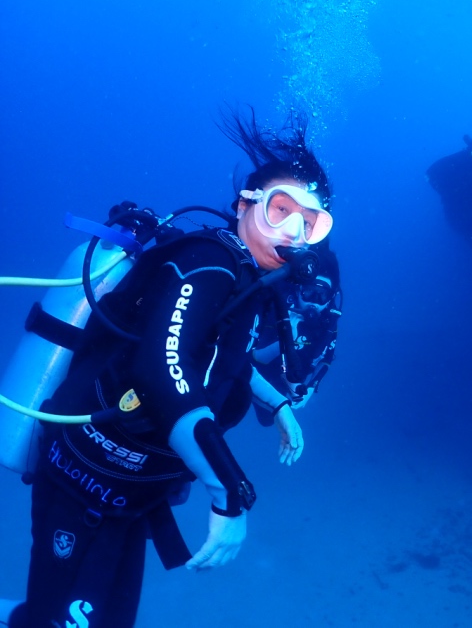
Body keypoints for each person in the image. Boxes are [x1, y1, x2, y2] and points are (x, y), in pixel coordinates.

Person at [4, 107, 334, 628]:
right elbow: (163, 367)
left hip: (132, 492)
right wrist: (229, 494)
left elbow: (227, 361)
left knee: (107, 620)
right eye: (280, 210)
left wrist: (281, 405)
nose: (292, 229)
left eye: (310, 221)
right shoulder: (208, 263)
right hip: (85, 479)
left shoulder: (248, 285)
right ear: (244, 206)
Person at [249, 240, 342, 465]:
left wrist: (312, 387)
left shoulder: (327, 321)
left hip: (291, 381)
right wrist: (285, 335)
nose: (314, 303)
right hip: (257, 376)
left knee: (269, 419)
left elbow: (327, 357)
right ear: (298, 291)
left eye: (321, 297)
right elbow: (254, 358)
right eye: (310, 293)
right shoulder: (277, 311)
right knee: (258, 416)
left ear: (330, 299)